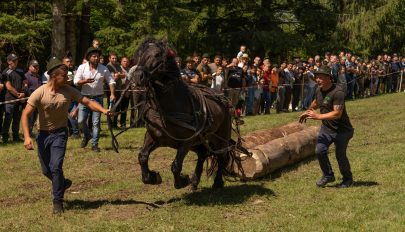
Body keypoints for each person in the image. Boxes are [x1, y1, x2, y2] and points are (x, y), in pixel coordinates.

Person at [21, 57, 112, 214]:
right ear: (54, 76)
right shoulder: (40, 92)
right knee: (46, 170)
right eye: (64, 76)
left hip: (60, 134)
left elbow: (88, 102)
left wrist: (104, 110)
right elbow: (25, 114)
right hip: (42, 135)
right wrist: (27, 137)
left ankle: (58, 202)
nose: (68, 78)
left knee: (56, 167)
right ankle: (62, 183)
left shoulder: (68, 90)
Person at [299, 65, 354, 188]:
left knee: (340, 155)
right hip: (327, 128)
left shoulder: (338, 92)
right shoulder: (319, 90)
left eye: (320, 77)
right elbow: (316, 102)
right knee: (320, 150)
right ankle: (328, 175)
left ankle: (347, 179)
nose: (317, 80)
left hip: (342, 130)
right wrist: (308, 111)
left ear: (329, 78)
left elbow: (337, 113)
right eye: (316, 77)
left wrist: (317, 116)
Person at [74, 47, 116, 152]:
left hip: (98, 98)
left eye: (98, 56)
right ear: (89, 57)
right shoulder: (82, 67)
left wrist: (112, 93)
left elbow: (111, 81)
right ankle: (87, 135)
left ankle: (95, 144)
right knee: (80, 121)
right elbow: (76, 81)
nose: (96, 58)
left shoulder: (104, 69)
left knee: (96, 123)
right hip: (84, 98)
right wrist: (85, 81)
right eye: (94, 56)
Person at [2, 53, 27, 143]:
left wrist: (23, 93)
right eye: (13, 60)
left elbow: (25, 82)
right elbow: (8, 87)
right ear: (9, 61)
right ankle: (5, 138)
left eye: (16, 60)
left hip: (20, 100)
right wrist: (18, 95)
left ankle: (16, 137)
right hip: (10, 100)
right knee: (8, 119)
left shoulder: (20, 71)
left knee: (17, 119)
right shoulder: (5, 72)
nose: (16, 62)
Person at [25, 60, 42, 137]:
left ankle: (30, 131)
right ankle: (27, 133)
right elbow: (25, 88)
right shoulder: (26, 76)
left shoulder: (39, 76)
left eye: (37, 66)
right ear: (29, 67)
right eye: (34, 66)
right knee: (29, 117)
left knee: (35, 117)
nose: (36, 68)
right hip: (30, 100)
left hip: (38, 101)